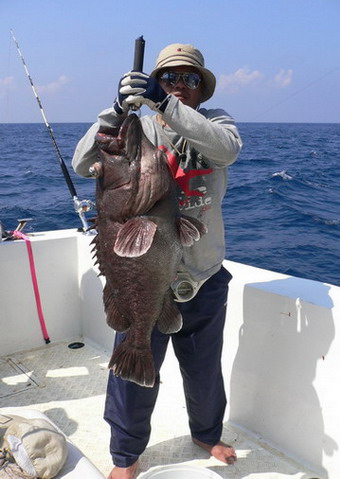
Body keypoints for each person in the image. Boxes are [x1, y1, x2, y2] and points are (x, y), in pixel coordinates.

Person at [72, 43, 242, 479]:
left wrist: (164, 101)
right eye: (169, 78)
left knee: (204, 368)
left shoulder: (216, 123)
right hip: (142, 279)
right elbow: (83, 162)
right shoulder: (137, 129)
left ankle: (206, 433)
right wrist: (114, 111)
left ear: (201, 90)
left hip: (203, 277)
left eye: (189, 80)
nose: (180, 86)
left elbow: (226, 150)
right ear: (156, 81)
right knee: (130, 376)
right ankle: (125, 457)